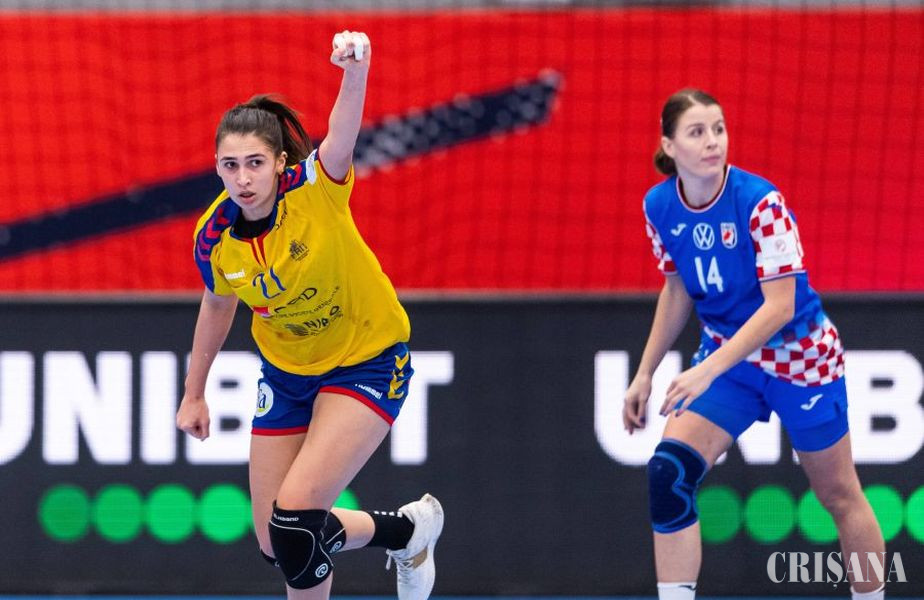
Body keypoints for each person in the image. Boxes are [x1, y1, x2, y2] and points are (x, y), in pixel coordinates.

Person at [176, 30, 443, 600]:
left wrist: (356, 71)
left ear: (279, 162)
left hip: (367, 360)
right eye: (230, 166)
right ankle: (407, 532)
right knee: (276, 542)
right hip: (287, 374)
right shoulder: (212, 238)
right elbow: (218, 303)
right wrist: (194, 393)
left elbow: (341, 135)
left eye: (255, 163)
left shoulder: (317, 187)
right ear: (217, 169)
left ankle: (405, 534)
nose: (243, 178)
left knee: (296, 524)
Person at [623, 89, 886, 600]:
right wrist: (645, 372)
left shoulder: (761, 204)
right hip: (732, 363)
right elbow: (676, 288)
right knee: (667, 473)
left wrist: (705, 369)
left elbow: (779, 307)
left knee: (839, 494)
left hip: (800, 358)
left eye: (718, 129)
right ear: (669, 146)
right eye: (697, 132)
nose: (712, 141)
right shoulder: (659, 206)